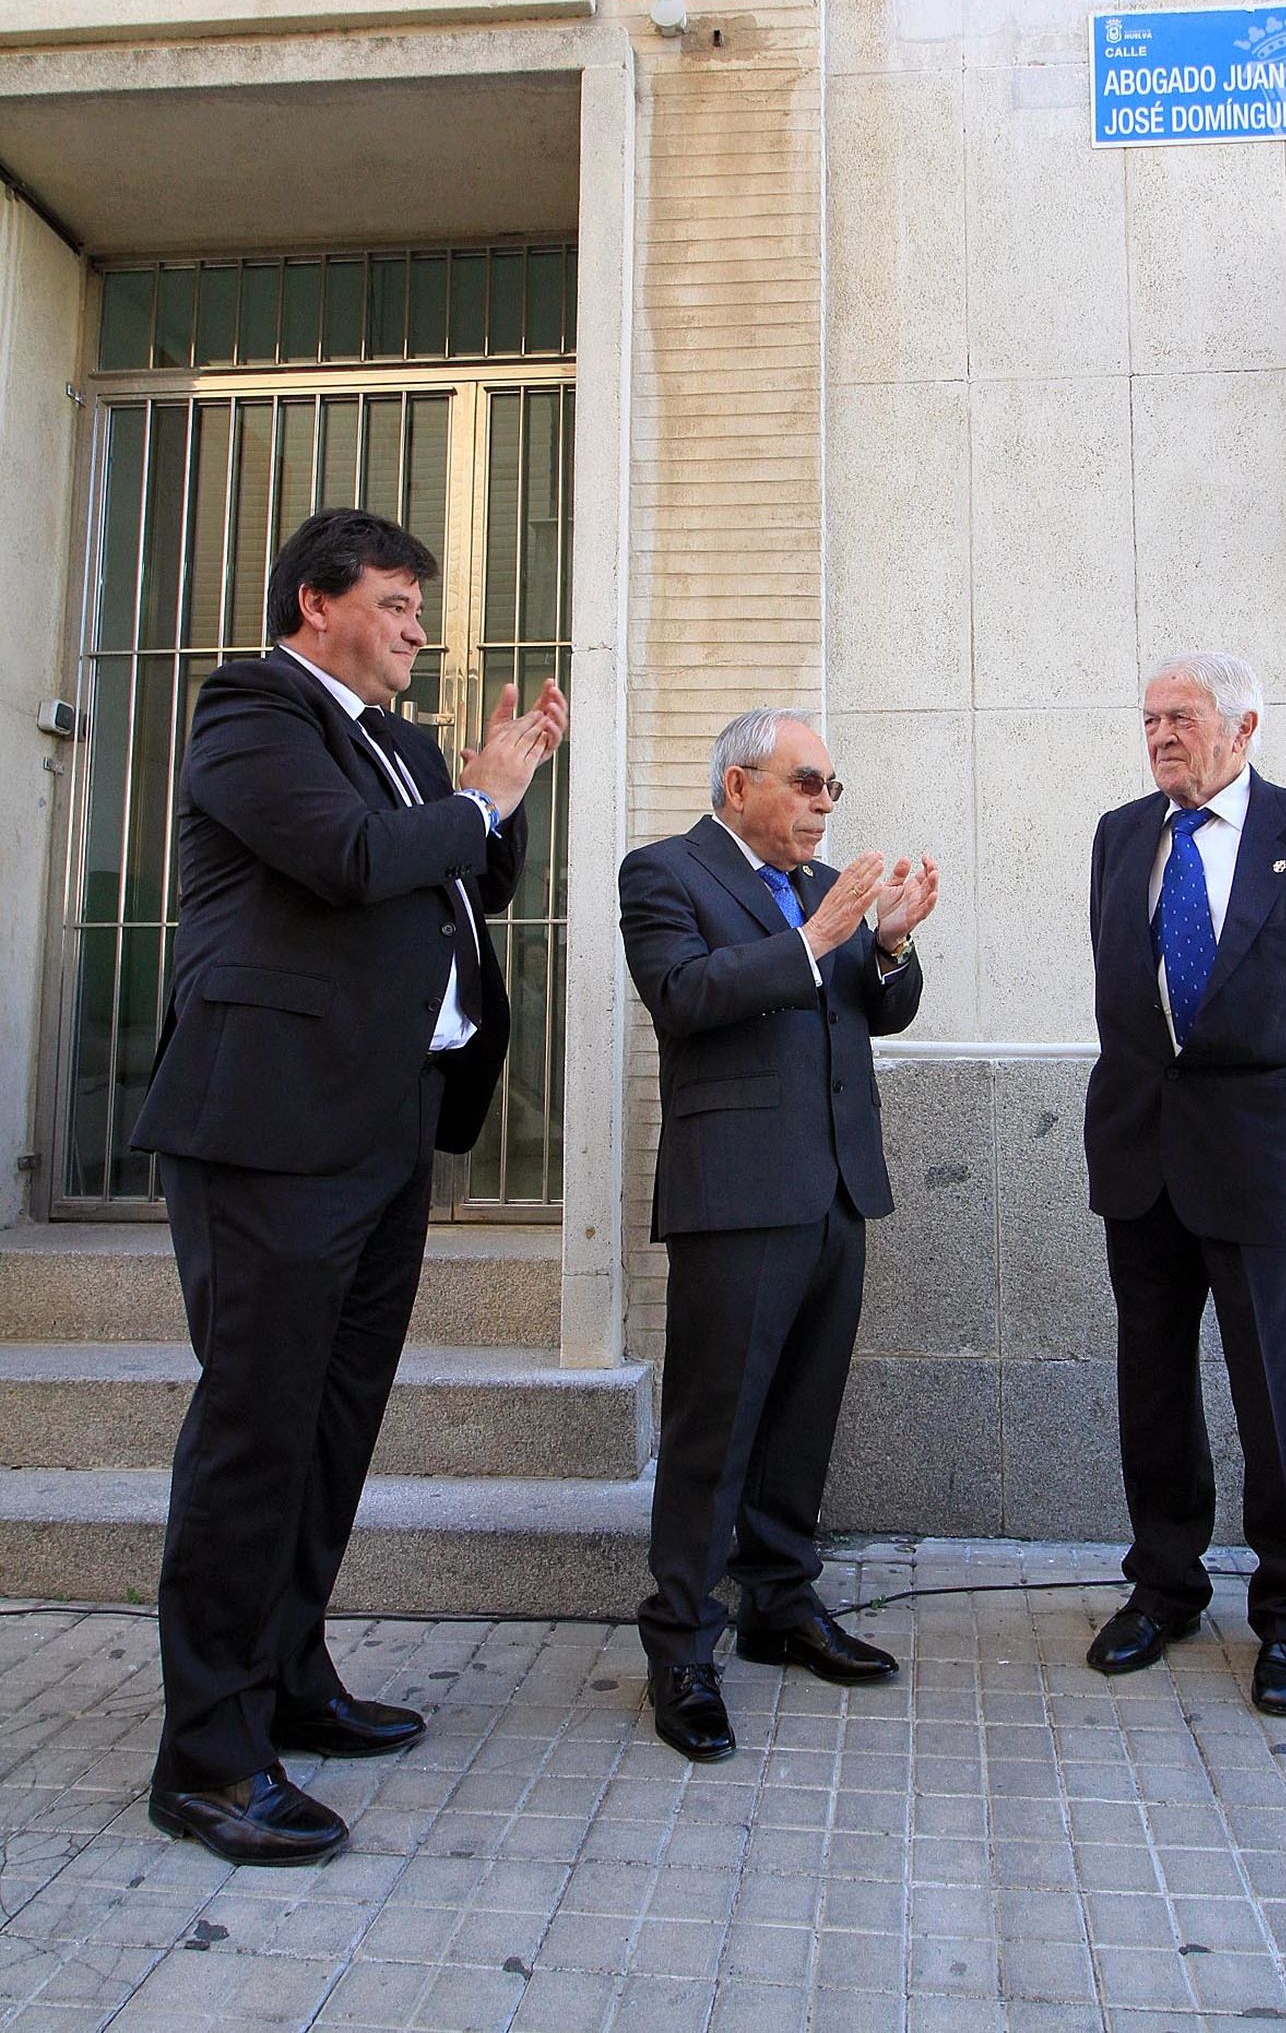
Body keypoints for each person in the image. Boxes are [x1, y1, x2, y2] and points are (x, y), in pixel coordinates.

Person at [131, 507, 566, 1863]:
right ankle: (206, 1761)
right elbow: (355, 861)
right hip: (269, 1131)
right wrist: (477, 795)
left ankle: (290, 1680)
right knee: (258, 1436)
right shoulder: (251, 712)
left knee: (333, 1429)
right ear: (317, 606)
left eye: (420, 610)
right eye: (395, 604)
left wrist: (508, 786)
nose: (417, 632)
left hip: (381, 1129)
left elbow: (463, 881)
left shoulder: (402, 744)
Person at [619, 708, 939, 1759]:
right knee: (714, 1431)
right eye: (806, 782)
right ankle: (679, 1646)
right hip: (738, 1193)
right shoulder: (663, 872)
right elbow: (681, 995)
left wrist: (888, 943)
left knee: (802, 1418)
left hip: (838, 1187)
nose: (822, 803)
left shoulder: (824, 886)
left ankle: (780, 1604)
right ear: (737, 782)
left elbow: (873, 1013)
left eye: (832, 788)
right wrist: (815, 940)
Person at [1082, 653, 1286, 1717]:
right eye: (1151, 716)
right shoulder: (1122, 835)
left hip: (1262, 1163)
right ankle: (1164, 1586)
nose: (1161, 733)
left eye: (1183, 716)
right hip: (1140, 1155)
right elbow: (1128, 1001)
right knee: (1153, 1388)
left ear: (1243, 727)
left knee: (1282, 1393)